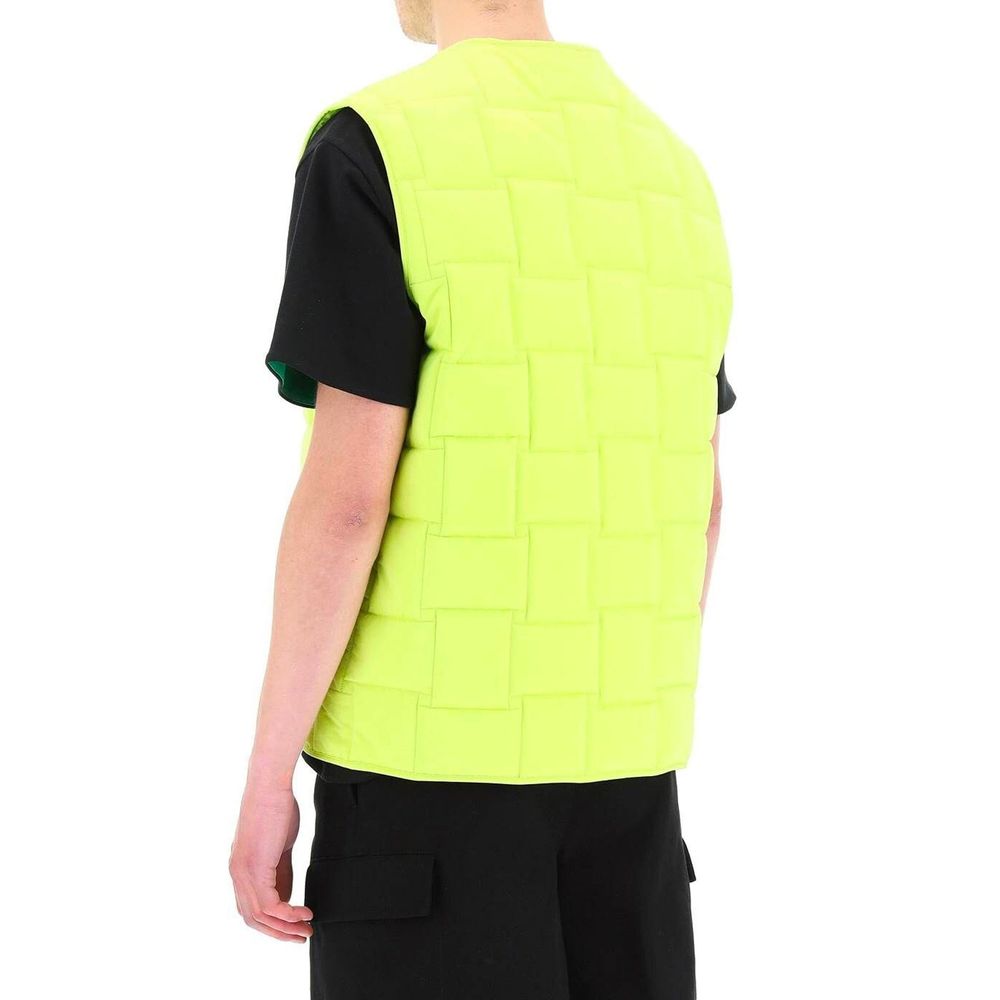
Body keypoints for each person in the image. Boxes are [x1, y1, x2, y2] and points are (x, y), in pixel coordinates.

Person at [230, 1, 735, 996]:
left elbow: (347, 502)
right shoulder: (671, 170)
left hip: (421, 808)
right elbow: (701, 499)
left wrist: (265, 779)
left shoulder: (374, 146)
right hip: (632, 805)